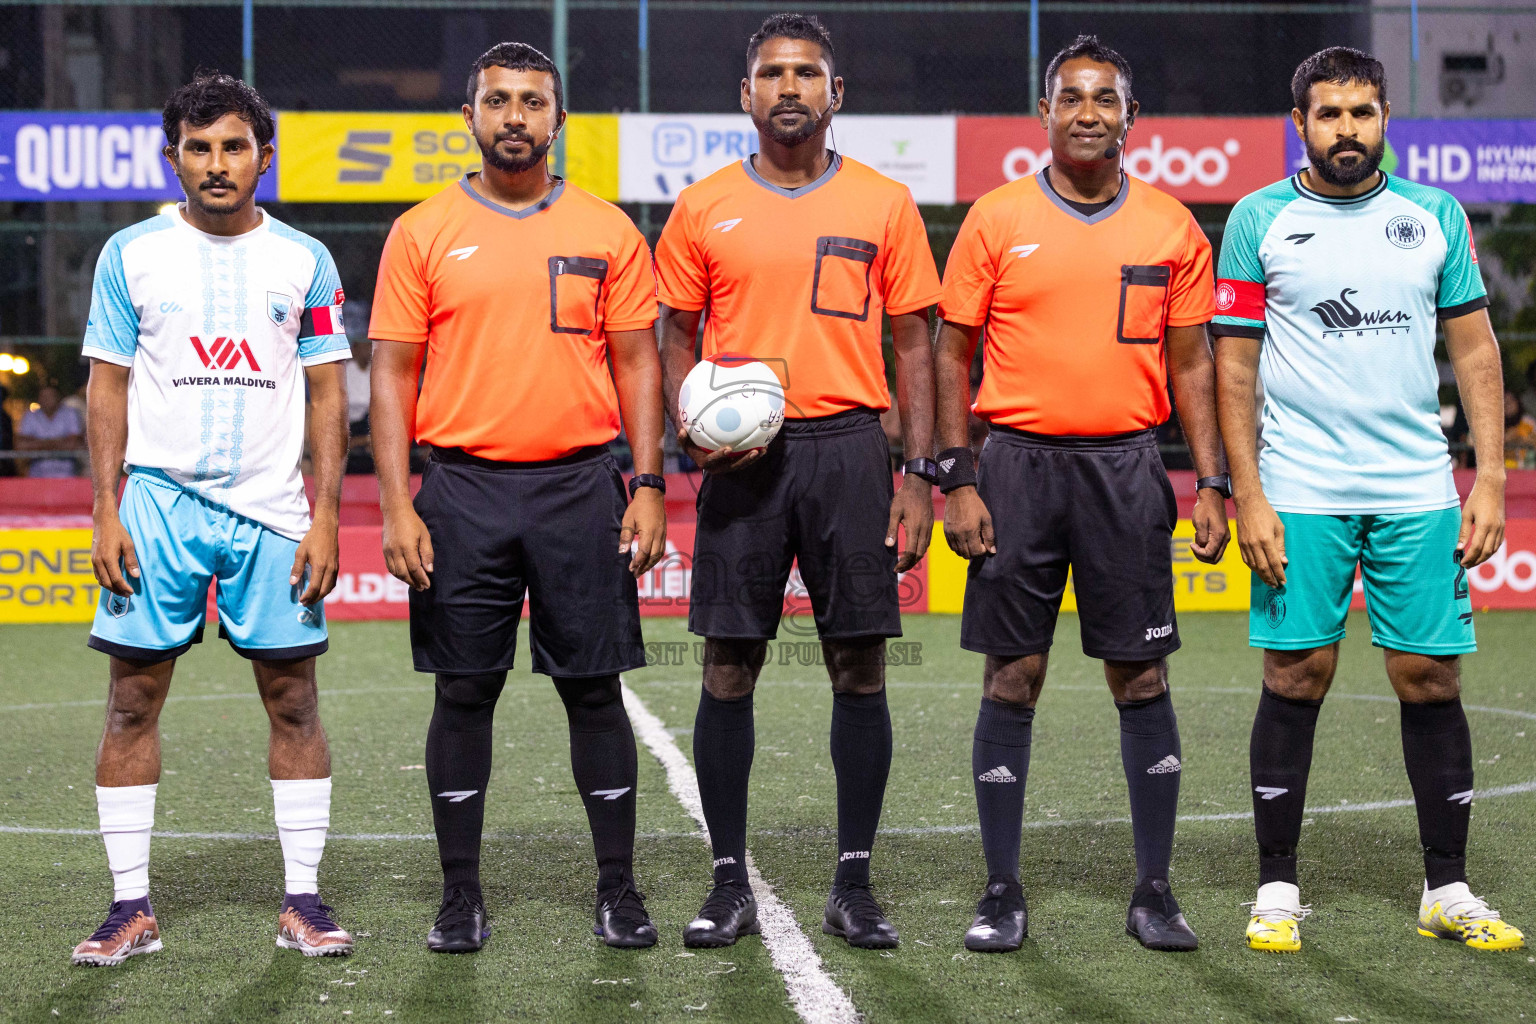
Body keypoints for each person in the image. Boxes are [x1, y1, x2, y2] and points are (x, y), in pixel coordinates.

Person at [1214, 46, 1525, 954]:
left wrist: (1491, 476)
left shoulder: (1432, 215)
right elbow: (1234, 366)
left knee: (1430, 676)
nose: (1344, 129)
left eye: (1360, 112)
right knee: (1294, 674)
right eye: (1327, 114)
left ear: (1385, 116)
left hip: (1418, 488)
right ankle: (1276, 888)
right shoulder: (1257, 218)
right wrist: (1247, 494)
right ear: (1299, 123)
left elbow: (1474, 352)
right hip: (1300, 489)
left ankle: (1448, 887)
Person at [369, 42, 668, 953]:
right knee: (463, 690)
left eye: (532, 102)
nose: (514, 117)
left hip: (581, 486)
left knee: (593, 689)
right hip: (460, 489)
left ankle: (617, 887)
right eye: (497, 100)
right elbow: (390, 372)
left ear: (557, 119)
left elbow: (637, 361)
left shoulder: (608, 229)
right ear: (469, 117)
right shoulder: (421, 230)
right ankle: (460, 893)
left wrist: (649, 483)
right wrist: (395, 503)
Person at [935, 35, 1230, 954]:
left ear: (1130, 116)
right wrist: (957, 476)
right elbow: (949, 353)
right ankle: (1000, 891)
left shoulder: (1172, 228)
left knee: (1139, 674)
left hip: (1127, 469)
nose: (1089, 111)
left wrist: (1211, 479)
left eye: (1106, 97)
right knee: (1011, 675)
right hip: (1016, 468)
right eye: (1072, 97)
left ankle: (1152, 891)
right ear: (1047, 114)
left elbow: (1193, 361)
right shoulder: (995, 218)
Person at [654, 13, 942, 950]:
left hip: (853, 450)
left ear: (835, 94)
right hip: (745, 465)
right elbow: (676, 338)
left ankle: (854, 882)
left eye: (806, 74)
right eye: (771, 73)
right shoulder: (701, 207)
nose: (789, 88)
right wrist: (692, 434)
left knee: (858, 664)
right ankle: (728, 880)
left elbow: (914, 345)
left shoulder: (885, 203)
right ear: (745, 94)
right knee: (727, 664)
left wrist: (920, 478)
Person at [73, 72, 353, 965]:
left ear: (264, 158)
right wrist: (104, 509)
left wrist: (326, 516)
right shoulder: (130, 254)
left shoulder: (305, 259)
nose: (217, 163)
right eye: (199, 147)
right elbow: (105, 386)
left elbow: (327, 392)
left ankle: (303, 902)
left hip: (273, 512)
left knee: (295, 702)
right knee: (130, 703)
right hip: (155, 509)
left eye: (234, 146)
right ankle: (129, 910)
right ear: (175, 158)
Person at [18, 383, 86, 476]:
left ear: (59, 397)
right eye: (43, 396)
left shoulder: (70, 413)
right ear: (38, 398)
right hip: (37, 475)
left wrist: (37, 443)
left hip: (67, 475)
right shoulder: (30, 416)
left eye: (50, 396)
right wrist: (60, 441)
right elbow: (21, 445)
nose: (46, 399)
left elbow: (74, 444)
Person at [1503, 386, 1536, 468]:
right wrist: (1504, 439)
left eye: (1511, 401)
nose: (1508, 405)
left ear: (1517, 402)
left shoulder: (1528, 422)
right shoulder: (1496, 425)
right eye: (1504, 402)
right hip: (1503, 470)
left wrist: (1523, 439)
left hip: (1527, 469)